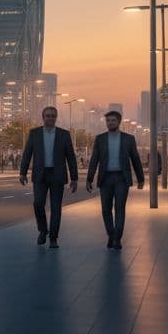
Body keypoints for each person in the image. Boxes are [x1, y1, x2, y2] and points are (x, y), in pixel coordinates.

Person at [19, 106, 79, 248]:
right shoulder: (35, 133)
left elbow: (71, 157)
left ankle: (53, 237)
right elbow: (27, 153)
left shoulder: (64, 135)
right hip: (40, 175)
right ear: (43, 117)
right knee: (38, 203)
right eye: (47, 115)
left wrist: (74, 178)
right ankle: (43, 230)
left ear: (56, 118)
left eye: (53, 116)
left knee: (56, 208)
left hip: (57, 175)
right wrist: (23, 172)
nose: (50, 118)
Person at [85, 109, 143, 250]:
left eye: (113, 120)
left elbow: (135, 159)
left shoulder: (128, 139)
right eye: (108, 120)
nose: (110, 123)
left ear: (119, 122)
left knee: (119, 209)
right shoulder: (100, 139)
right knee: (105, 209)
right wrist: (89, 178)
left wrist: (140, 178)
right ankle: (111, 234)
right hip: (105, 178)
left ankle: (117, 239)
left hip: (121, 179)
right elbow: (94, 160)